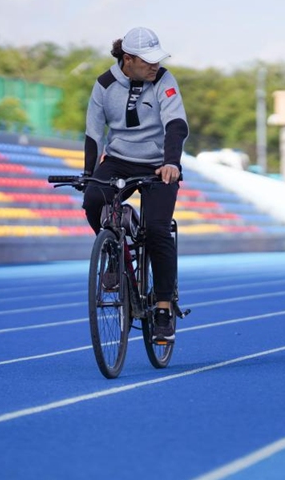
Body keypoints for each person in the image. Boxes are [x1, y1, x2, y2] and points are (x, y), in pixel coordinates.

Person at [82, 26, 189, 343]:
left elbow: (176, 123)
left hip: (159, 164)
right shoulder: (103, 85)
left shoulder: (164, 80)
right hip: (118, 159)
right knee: (92, 201)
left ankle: (163, 308)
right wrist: (89, 173)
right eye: (148, 61)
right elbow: (92, 134)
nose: (155, 65)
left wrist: (171, 162)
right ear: (127, 59)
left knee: (157, 230)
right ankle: (115, 253)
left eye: (158, 59)